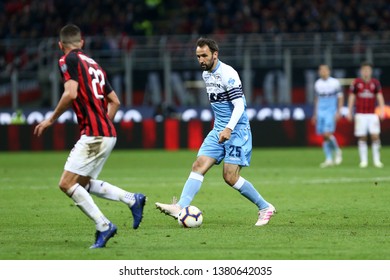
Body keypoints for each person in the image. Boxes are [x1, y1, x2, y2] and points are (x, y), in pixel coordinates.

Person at [34, 24, 146, 249]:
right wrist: (104, 124)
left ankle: (104, 226)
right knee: (82, 184)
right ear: (82, 42)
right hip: (107, 133)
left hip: (94, 134)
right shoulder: (95, 65)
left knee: (66, 184)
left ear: (60, 45)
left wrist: (50, 119)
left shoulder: (67, 61)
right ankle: (131, 199)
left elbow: (70, 93)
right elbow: (115, 101)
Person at [155, 38, 275, 226]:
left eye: (204, 56)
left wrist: (229, 128)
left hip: (237, 130)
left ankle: (265, 207)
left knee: (230, 177)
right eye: (198, 56)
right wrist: (222, 127)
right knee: (198, 165)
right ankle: (180, 206)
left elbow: (239, 106)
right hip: (218, 129)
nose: (201, 60)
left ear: (215, 54)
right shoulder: (206, 75)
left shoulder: (228, 74)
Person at [347, 62, 385, 168]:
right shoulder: (356, 83)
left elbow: (379, 97)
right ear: (361, 71)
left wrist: (382, 111)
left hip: (372, 114)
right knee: (362, 137)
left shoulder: (375, 83)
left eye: (368, 70)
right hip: (360, 114)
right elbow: (351, 97)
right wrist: (349, 111)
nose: (366, 72)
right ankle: (363, 161)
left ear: (371, 71)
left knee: (375, 136)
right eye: (364, 70)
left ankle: (377, 160)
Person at [311, 64, 343, 168]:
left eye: (325, 70)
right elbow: (316, 99)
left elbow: (340, 97)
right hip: (320, 111)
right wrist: (315, 114)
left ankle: (337, 151)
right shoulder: (317, 84)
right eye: (321, 70)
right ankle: (329, 159)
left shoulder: (335, 83)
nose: (323, 72)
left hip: (331, 111)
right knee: (324, 137)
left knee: (327, 134)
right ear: (319, 72)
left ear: (329, 71)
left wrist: (339, 111)